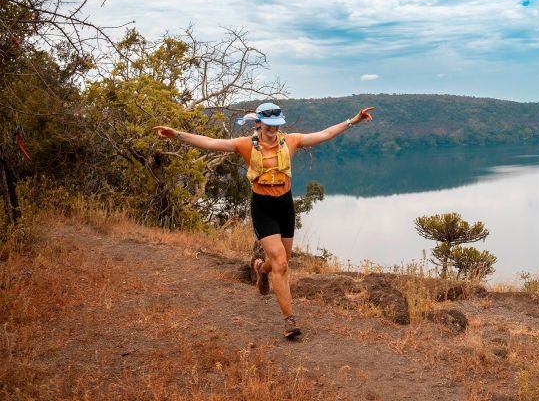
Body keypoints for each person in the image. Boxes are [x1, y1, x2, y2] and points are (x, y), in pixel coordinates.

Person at [153, 102, 374, 338]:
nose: (273, 129)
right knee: (281, 262)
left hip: (285, 205)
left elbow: (325, 134)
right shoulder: (245, 145)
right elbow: (210, 142)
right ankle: (289, 321)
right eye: (268, 125)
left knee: (281, 260)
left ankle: (261, 269)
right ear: (258, 123)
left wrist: (354, 120)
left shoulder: (291, 140)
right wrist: (176, 134)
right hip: (263, 207)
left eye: (276, 125)